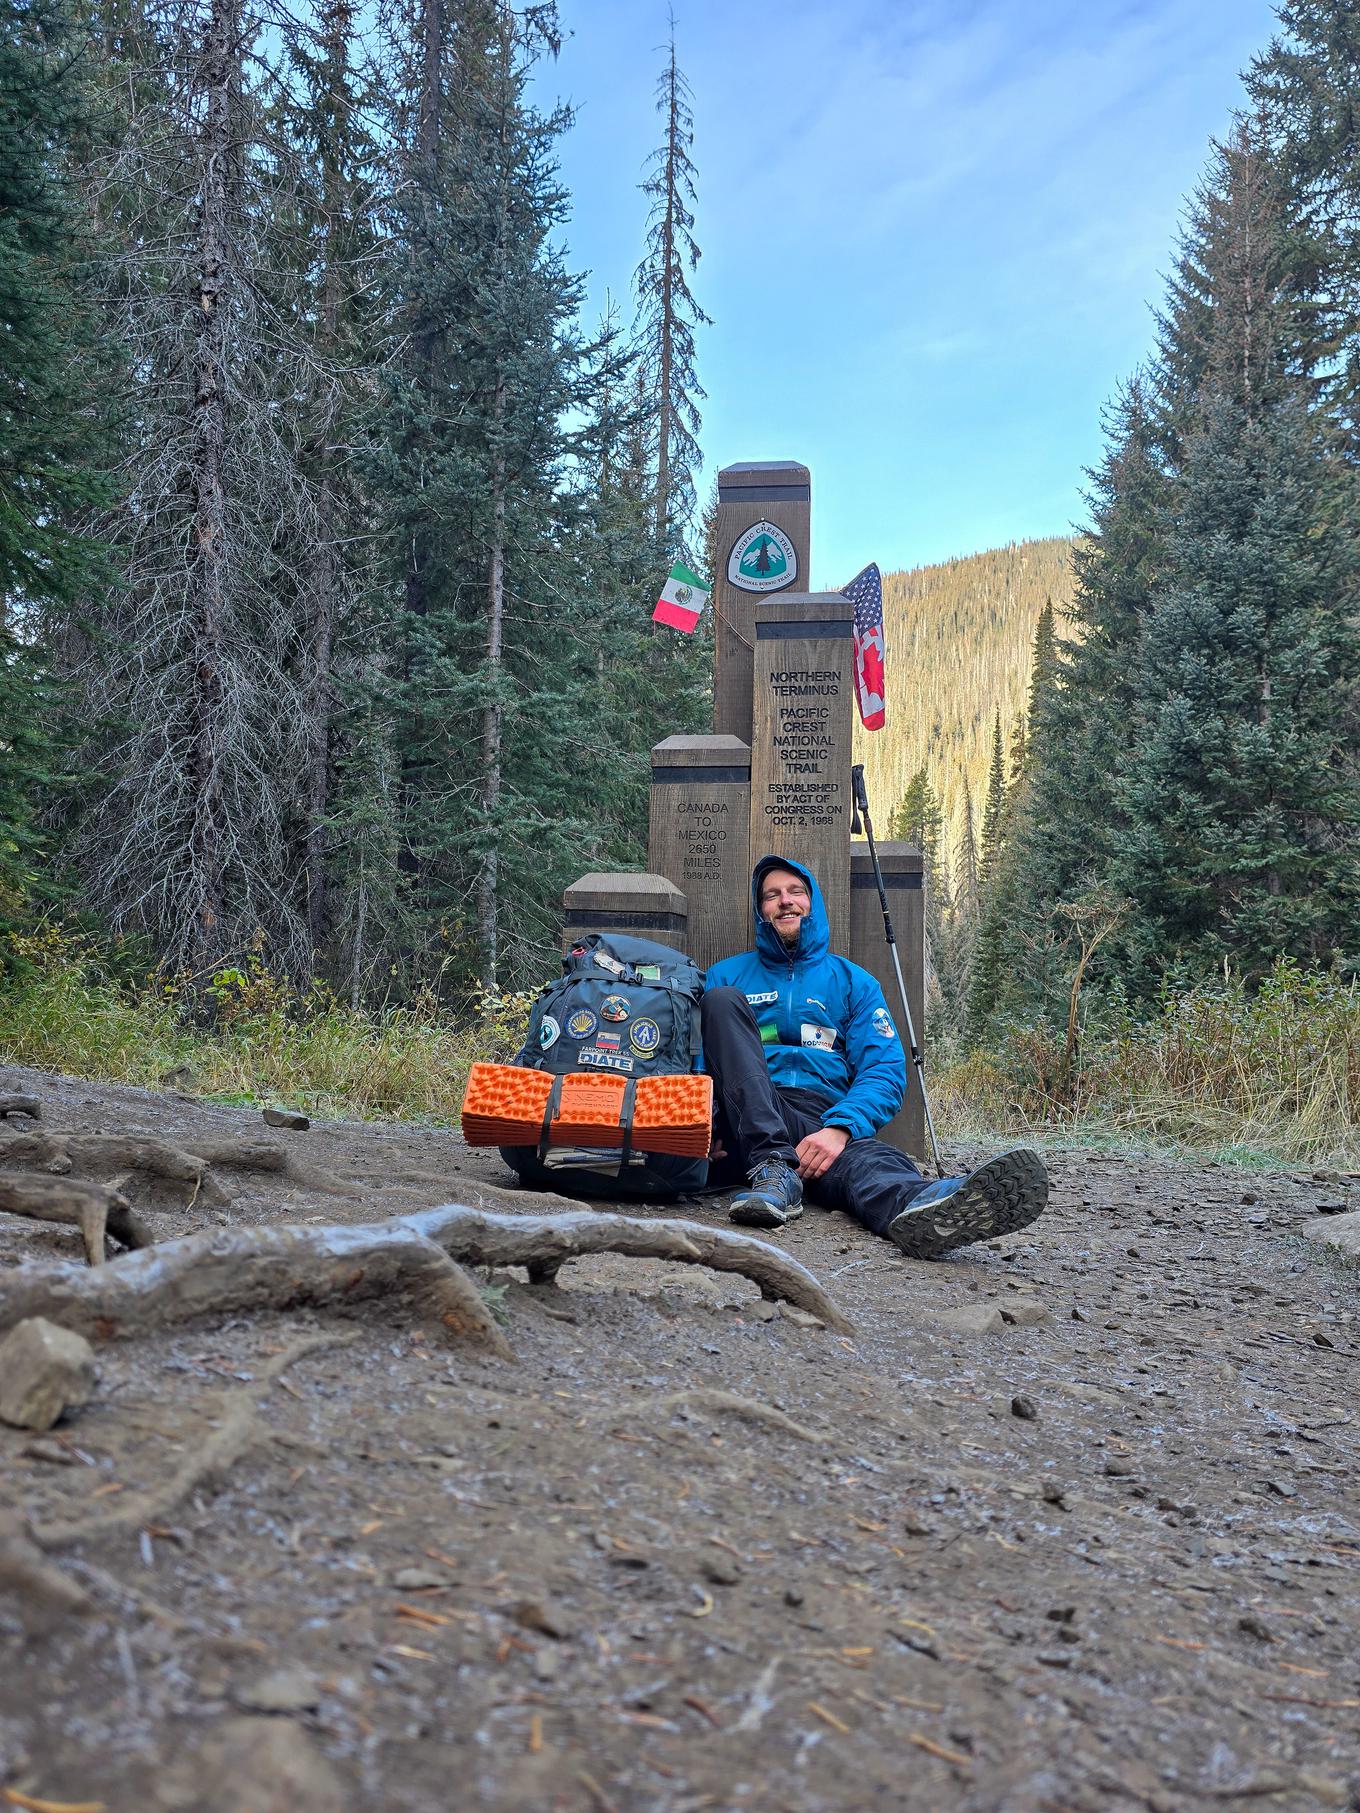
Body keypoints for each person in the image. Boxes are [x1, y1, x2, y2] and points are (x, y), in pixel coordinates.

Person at [701, 854, 1048, 1258]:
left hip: (822, 1122)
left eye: (796, 891)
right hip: (752, 1118)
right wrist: (702, 1127)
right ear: (760, 909)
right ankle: (773, 1167)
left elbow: (883, 1070)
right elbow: (697, 1061)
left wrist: (840, 1130)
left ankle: (927, 1206)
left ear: (813, 903)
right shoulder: (727, 976)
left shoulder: (853, 982)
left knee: (873, 1163)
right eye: (771, 895)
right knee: (722, 1002)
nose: (785, 901)